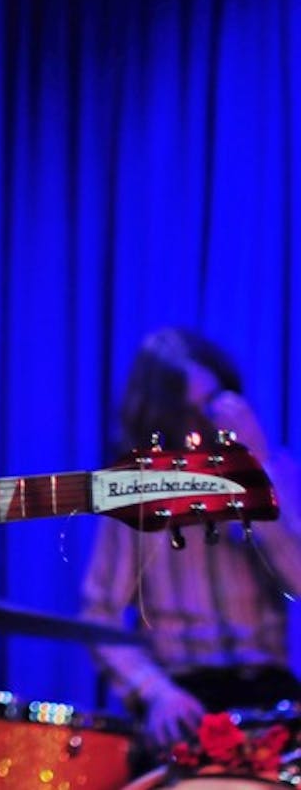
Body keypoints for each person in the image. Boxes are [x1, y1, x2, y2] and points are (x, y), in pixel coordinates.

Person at [80, 326, 301, 777]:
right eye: (192, 411)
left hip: (270, 696)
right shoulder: (136, 491)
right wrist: (155, 692)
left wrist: (255, 473)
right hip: (185, 701)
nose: (209, 423)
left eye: (216, 403)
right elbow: (98, 614)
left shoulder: (274, 469)